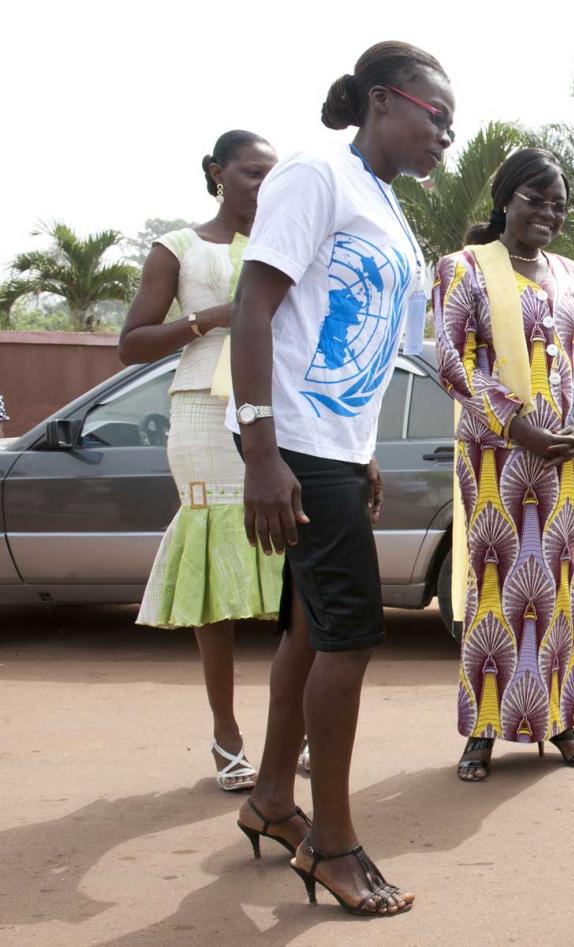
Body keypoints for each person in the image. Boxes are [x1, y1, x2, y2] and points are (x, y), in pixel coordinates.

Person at [229, 41, 454, 916]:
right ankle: (332, 842)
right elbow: (255, 305)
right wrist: (262, 451)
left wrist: (363, 450)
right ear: (383, 101)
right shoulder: (315, 174)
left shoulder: (386, 202)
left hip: (333, 446)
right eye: (438, 117)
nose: (446, 136)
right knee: (351, 633)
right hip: (292, 443)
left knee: (311, 625)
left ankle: (271, 798)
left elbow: (369, 341)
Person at [434, 147, 574, 782]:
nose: (548, 215)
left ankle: (560, 722)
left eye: (559, 206)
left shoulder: (572, 275)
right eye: (536, 200)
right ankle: (482, 732)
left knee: (560, 591)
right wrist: (517, 424)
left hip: (562, 457)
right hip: (496, 457)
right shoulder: (463, 268)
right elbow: (454, 361)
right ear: (506, 198)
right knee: (492, 588)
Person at [118, 129, 280, 791]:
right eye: (251, 173)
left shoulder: (285, 243)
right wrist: (205, 319)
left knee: (295, 572)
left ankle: (292, 733)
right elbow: (131, 343)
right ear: (217, 173)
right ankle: (227, 736)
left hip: (277, 409)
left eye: (272, 174)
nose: (263, 185)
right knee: (216, 578)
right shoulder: (178, 247)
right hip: (202, 417)